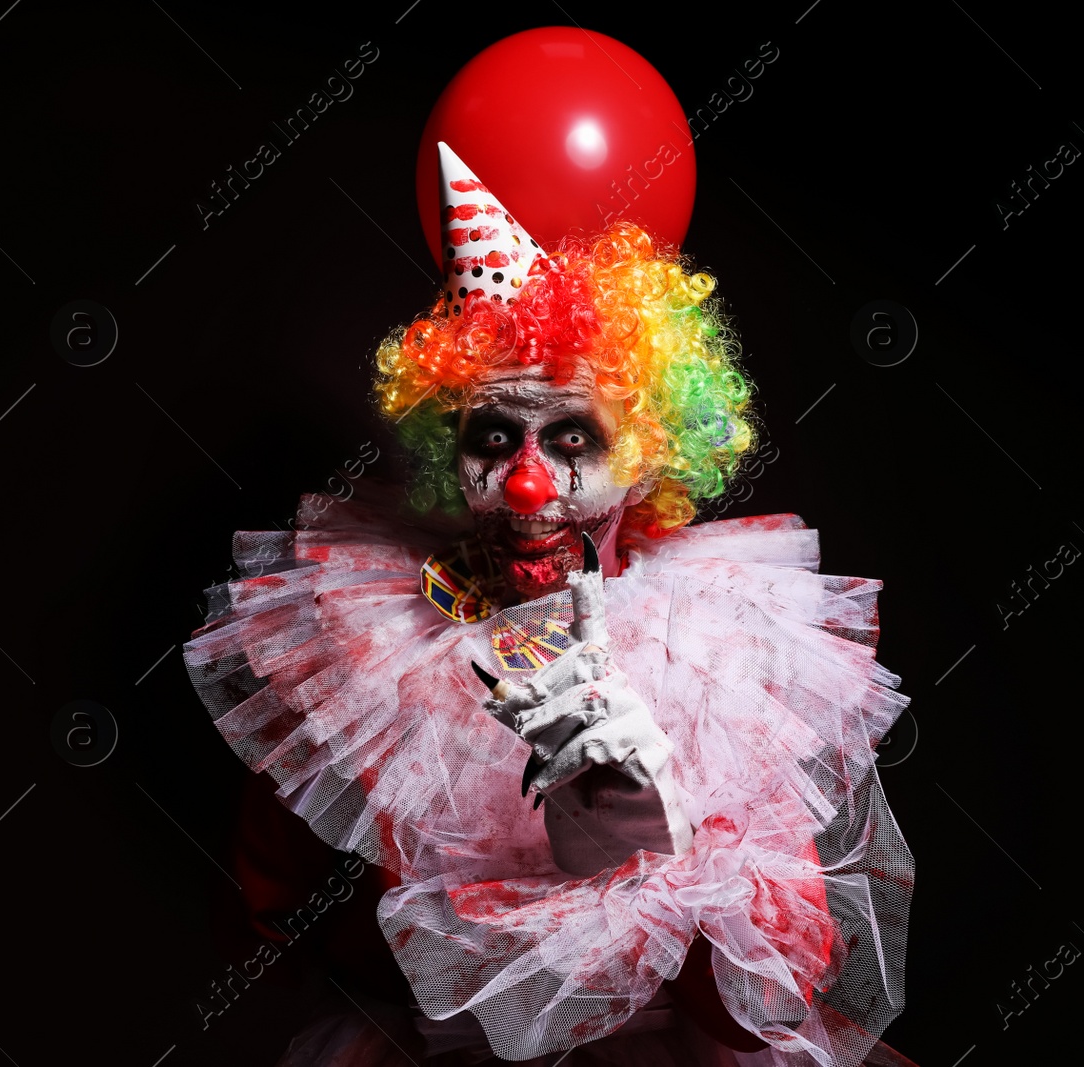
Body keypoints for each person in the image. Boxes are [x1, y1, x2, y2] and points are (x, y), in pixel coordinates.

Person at [184, 144, 913, 1066]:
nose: (529, 483)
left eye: (573, 436)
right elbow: (271, 925)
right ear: (447, 443)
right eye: (495, 434)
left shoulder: (722, 645)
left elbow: (769, 1005)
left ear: (648, 451)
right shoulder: (369, 636)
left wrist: (659, 838)